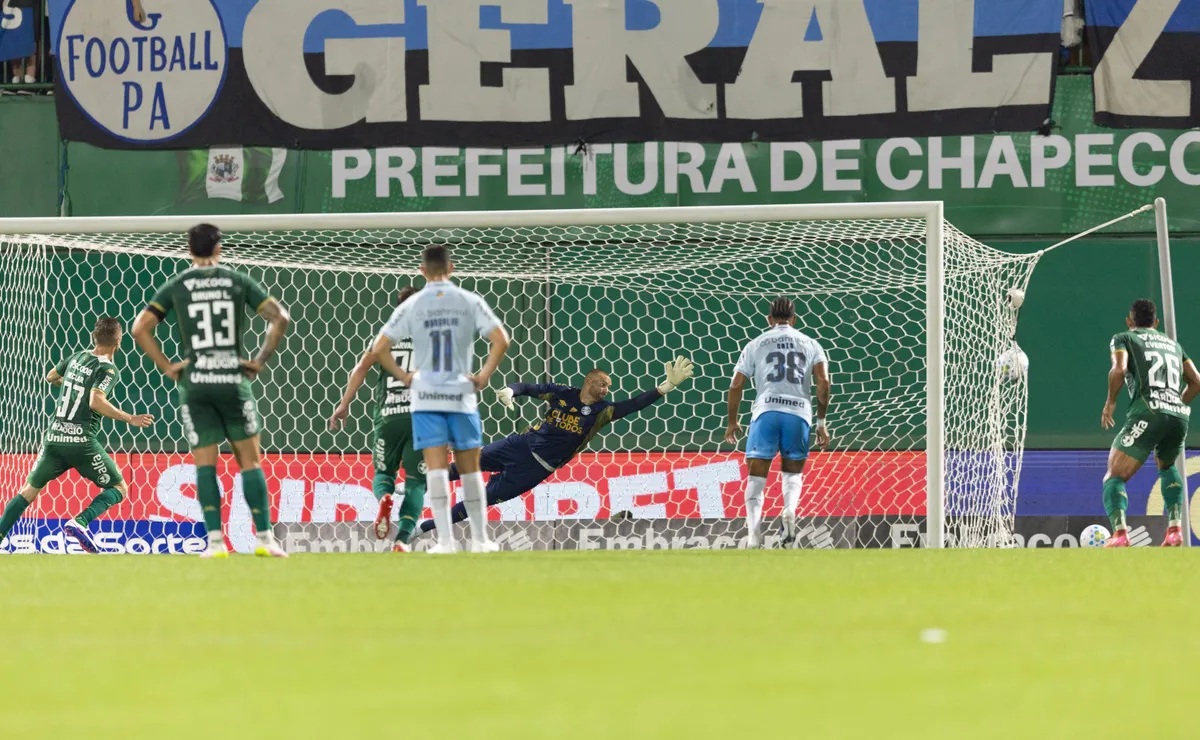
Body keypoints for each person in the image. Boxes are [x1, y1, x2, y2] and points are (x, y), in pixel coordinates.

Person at [131, 223, 291, 558]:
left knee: (205, 464)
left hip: (196, 383)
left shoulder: (178, 285)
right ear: (219, 248)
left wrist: (167, 366)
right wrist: (260, 360)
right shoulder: (237, 281)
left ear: (189, 250)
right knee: (250, 461)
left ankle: (215, 543)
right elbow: (281, 319)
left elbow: (139, 328)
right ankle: (265, 540)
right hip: (232, 380)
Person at [414, 359, 694, 537]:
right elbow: (529, 387)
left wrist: (664, 387)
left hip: (536, 469)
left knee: (477, 502)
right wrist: (511, 391)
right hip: (520, 445)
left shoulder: (602, 412)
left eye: (608, 386)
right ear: (589, 381)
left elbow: (633, 405)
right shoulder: (562, 394)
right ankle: (417, 486)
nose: (606, 390)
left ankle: (422, 529)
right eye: (602, 384)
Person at [372, 245, 510, 555]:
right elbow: (501, 340)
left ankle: (445, 542)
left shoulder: (413, 304)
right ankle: (480, 540)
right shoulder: (468, 300)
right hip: (460, 395)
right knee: (471, 469)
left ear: (422, 271)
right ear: (452, 267)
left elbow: (379, 348)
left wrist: (406, 377)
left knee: (434, 471)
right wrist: (485, 374)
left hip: (425, 397)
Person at [0, 317, 154, 552]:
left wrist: (72, 386)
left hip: (54, 440)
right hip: (82, 443)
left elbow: (51, 377)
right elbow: (96, 401)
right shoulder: (108, 369)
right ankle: (80, 522)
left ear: (94, 336)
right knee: (119, 487)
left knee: (27, 492)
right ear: (119, 342)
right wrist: (129, 418)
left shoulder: (76, 357)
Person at [725, 298, 831, 548]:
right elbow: (824, 383)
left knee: (756, 477)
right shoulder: (811, 344)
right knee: (792, 475)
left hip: (766, 413)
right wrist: (821, 421)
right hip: (798, 415)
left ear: (769, 319)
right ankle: (789, 512)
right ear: (794, 319)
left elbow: (736, 384)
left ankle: (753, 534)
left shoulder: (756, 343)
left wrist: (732, 421)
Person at [329, 287, 426, 553]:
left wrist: (343, 405)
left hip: (388, 416)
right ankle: (403, 539)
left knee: (384, 472)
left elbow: (360, 368)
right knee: (417, 482)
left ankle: (384, 496)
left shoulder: (386, 337)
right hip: (422, 418)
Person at [1100, 299, 1200, 547]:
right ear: (1156, 322)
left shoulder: (1123, 338)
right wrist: (1177, 404)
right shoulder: (1174, 345)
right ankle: (1175, 529)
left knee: (1114, 476)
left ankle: (1121, 534)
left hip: (1148, 412)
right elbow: (1196, 381)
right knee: (1166, 467)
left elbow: (1119, 370)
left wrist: (1111, 402)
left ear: (1129, 321)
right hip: (1178, 415)